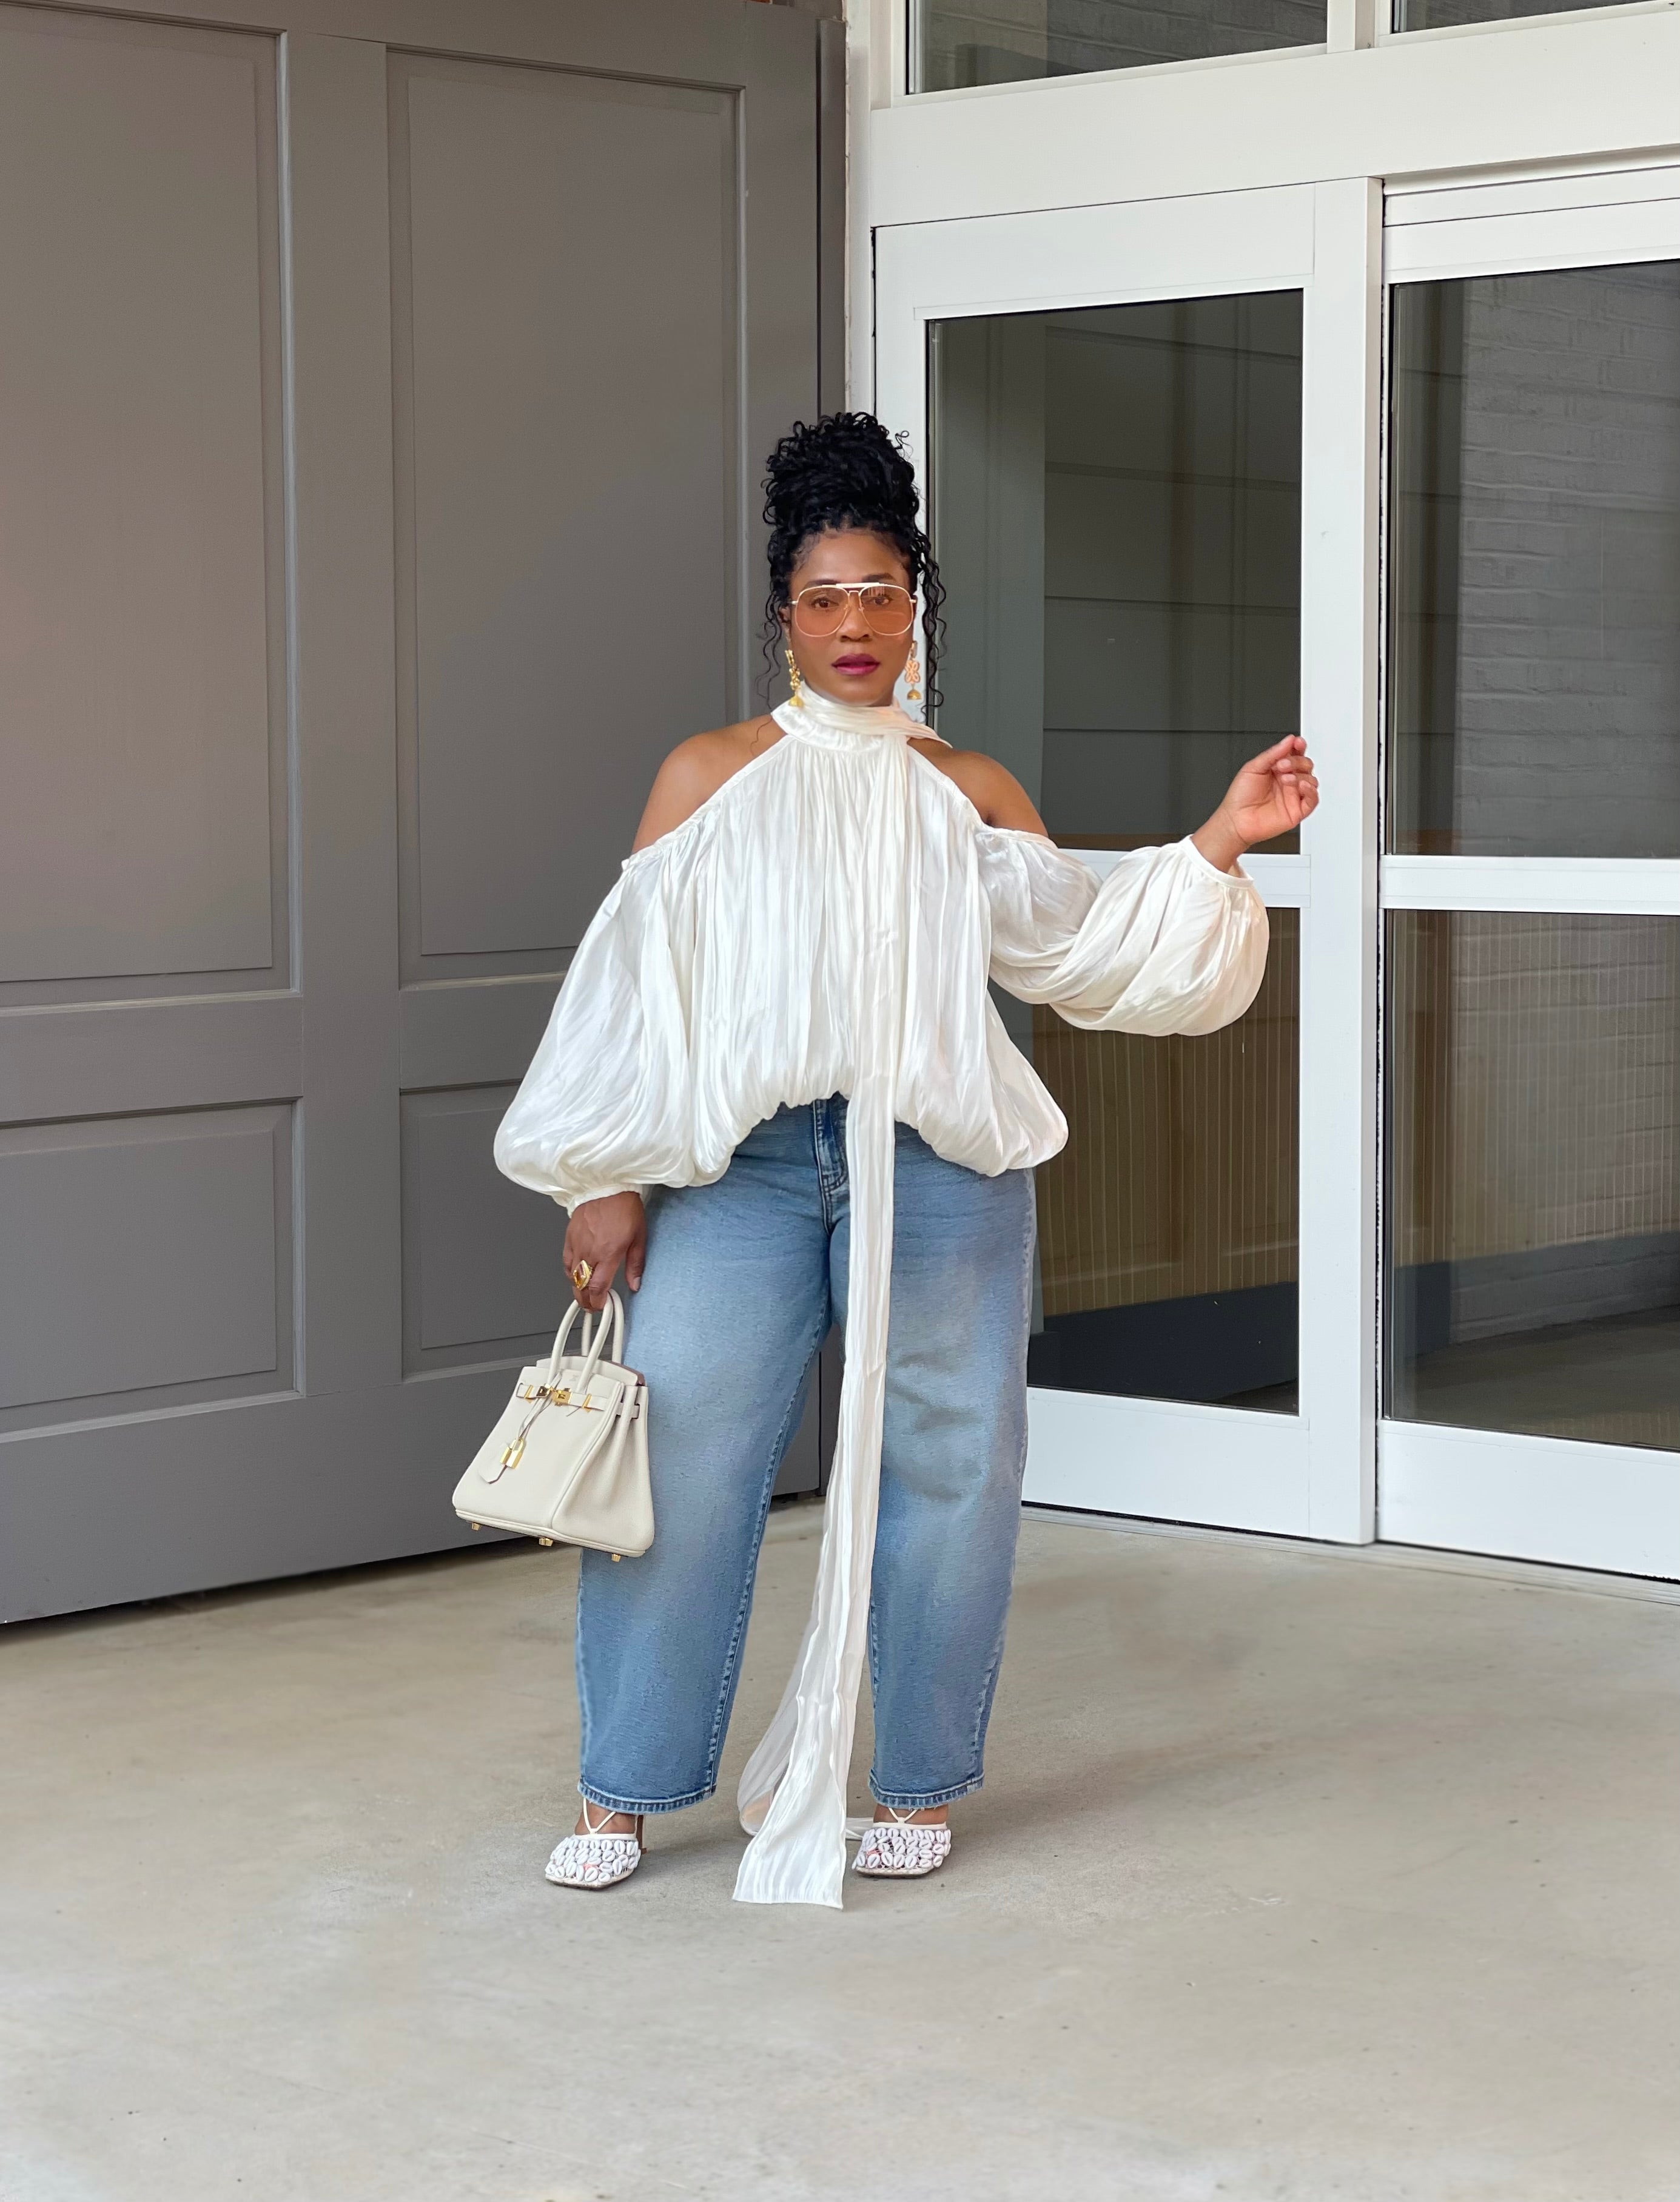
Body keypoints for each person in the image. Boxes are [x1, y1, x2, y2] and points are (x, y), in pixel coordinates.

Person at [494, 413, 1318, 1908]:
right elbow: (630, 989)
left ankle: (920, 1780)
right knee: (681, 1472)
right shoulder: (710, 776)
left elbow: (1087, 953)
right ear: (782, 614)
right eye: (824, 596)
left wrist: (1215, 839)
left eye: (883, 591)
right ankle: (623, 1789)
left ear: (916, 604)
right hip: (742, 1169)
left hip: (939, 1169)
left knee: (952, 1473)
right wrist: (601, 1176)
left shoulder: (967, 787)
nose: (855, 623)